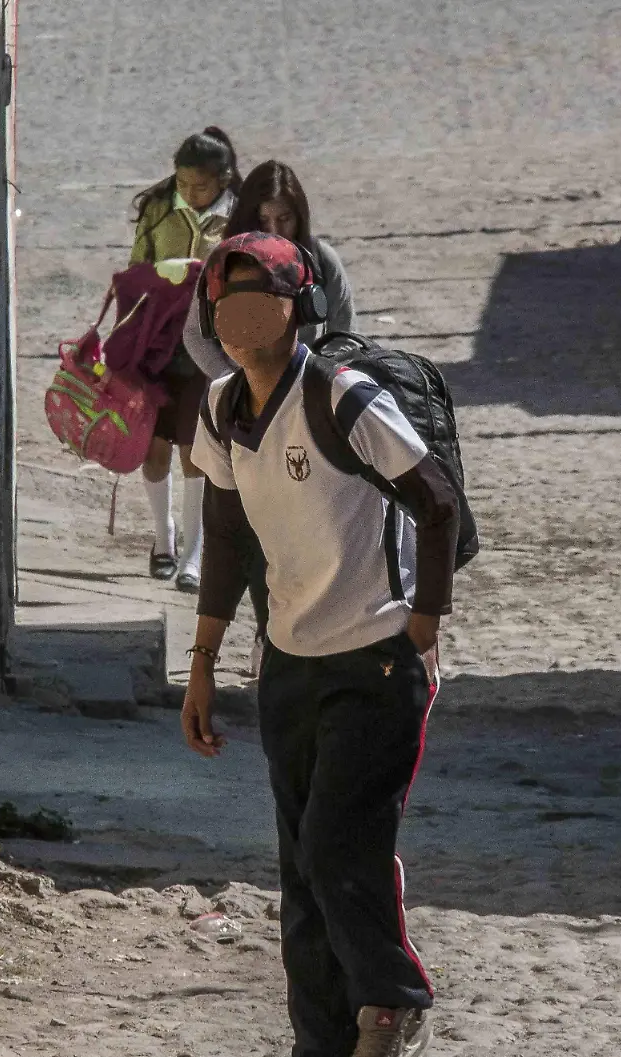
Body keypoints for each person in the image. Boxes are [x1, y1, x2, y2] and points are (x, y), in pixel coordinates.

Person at [183, 232, 457, 1057]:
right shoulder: (221, 407)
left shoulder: (342, 398)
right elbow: (226, 537)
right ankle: (323, 1047)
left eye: (256, 300)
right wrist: (202, 659)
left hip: (376, 662)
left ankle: (395, 1003)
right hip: (288, 665)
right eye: (223, 304)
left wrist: (422, 625)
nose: (236, 318)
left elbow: (436, 503)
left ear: (296, 307)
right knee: (301, 874)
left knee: (341, 844)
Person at [179, 159, 357, 672]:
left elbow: (344, 336)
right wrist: (241, 377)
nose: (276, 232)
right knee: (248, 527)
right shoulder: (227, 263)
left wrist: (319, 385)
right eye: (265, 221)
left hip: (312, 415)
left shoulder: (322, 261)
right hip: (248, 418)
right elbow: (197, 334)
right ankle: (265, 632)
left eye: (286, 221)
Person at [129, 126, 240, 588]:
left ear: (223, 180)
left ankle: (194, 555)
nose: (191, 194)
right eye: (183, 184)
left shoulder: (237, 218)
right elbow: (135, 272)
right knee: (153, 449)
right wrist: (162, 274)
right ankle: (163, 540)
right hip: (156, 342)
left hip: (208, 346)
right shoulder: (157, 210)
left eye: (201, 186)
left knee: (196, 451)